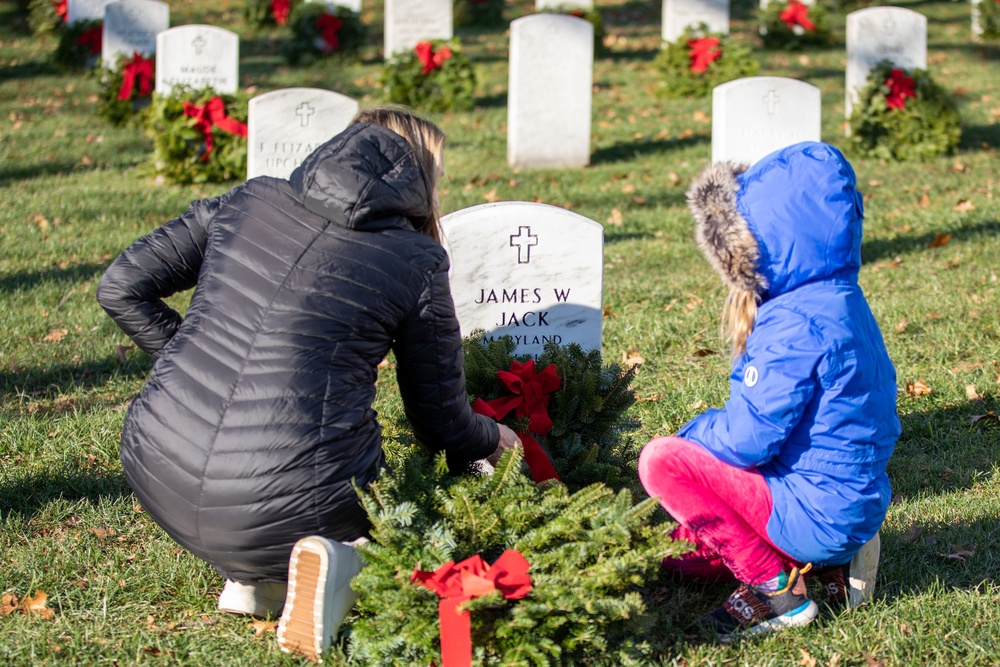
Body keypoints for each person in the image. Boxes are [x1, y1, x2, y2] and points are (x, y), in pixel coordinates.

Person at [96, 105, 521, 661]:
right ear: (417, 177)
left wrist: (185, 365)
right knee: (409, 526)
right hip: (291, 497)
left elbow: (121, 286)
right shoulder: (414, 259)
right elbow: (439, 422)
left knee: (262, 491)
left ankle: (255, 581)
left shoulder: (250, 197)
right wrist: (496, 440)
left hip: (156, 463)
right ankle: (340, 561)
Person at [638, 142, 900, 642]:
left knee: (662, 463)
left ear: (762, 241)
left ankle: (776, 590)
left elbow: (747, 439)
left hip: (812, 510)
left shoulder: (792, 323)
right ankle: (832, 561)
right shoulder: (843, 302)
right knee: (682, 556)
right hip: (848, 498)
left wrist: (691, 436)